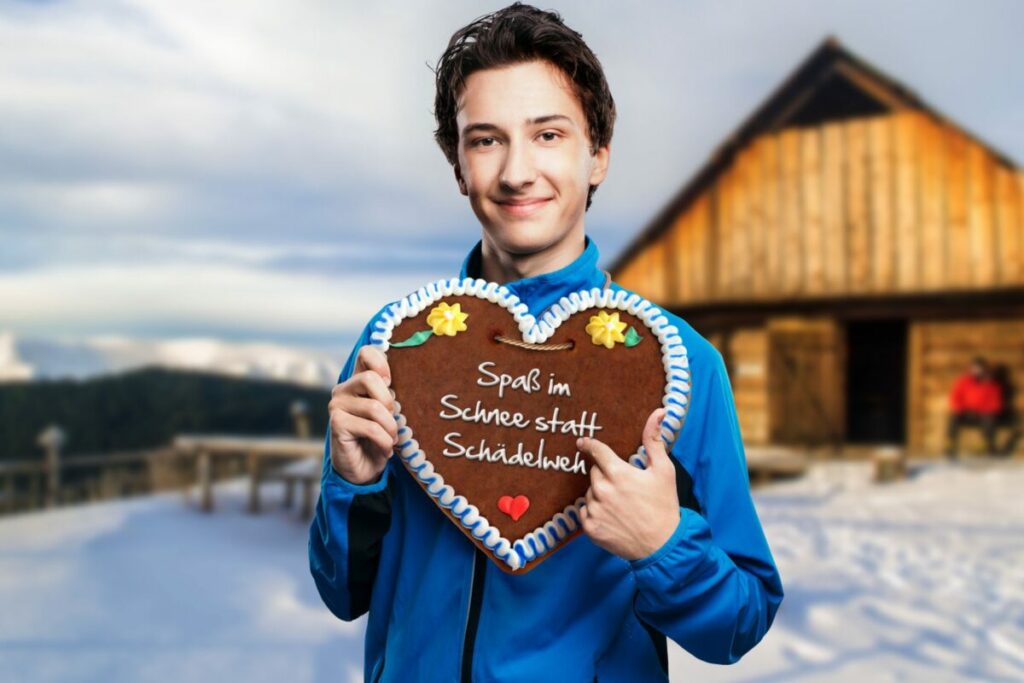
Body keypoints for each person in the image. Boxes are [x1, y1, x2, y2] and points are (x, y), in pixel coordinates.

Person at [309, 4, 783, 681]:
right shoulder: (397, 342)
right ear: (457, 165)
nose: (516, 171)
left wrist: (662, 544)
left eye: (549, 134)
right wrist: (353, 484)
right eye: (486, 139)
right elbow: (342, 593)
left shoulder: (678, 365)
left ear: (598, 156)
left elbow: (741, 618)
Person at [945, 356, 1005, 458]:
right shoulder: (964, 381)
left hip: (984, 415)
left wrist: (984, 410)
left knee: (989, 420)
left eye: (979, 368)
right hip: (967, 413)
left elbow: (996, 403)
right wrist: (961, 408)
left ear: (984, 369)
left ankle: (989, 446)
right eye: (974, 368)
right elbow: (956, 397)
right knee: (954, 417)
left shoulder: (991, 384)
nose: (976, 371)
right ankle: (950, 445)